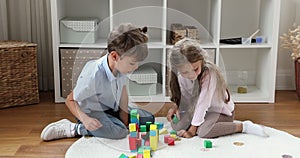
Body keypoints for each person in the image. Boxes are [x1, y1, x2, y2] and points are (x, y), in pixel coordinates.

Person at [41, 23, 153, 141]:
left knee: (148, 119)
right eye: (132, 63)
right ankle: (74, 128)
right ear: (115, 56)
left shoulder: (122, 68)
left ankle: (114, 123)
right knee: (118, 132)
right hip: (92, 113)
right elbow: (70, 100)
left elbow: (123, 93)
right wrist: (85, 119)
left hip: (112, 108)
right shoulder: (93, 74)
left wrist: (124, 120)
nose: (136, 67)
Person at [167, 38, 268, 138]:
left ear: (201, 61)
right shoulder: (181, 76)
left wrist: (192, 130)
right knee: (177, 125)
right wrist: (176, 107)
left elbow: (203, 103)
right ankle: (200, 122)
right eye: (185, 72)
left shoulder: (209, 74)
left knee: (203, 132)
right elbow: (185, 98)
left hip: (220, 112)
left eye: (195, 69)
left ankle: (243, 126)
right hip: (199, 111)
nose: (192, 75)